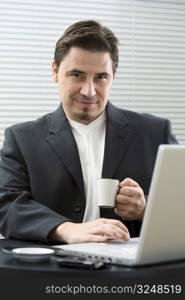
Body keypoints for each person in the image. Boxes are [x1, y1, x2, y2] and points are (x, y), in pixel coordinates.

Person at [0, 20, 178, 244]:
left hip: (132, 271)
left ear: (113, 76)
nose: (89, 90)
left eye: (101, 77)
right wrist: (66, 229)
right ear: (55, 71)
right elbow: (7, 205)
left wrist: (145, 209)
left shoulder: (155, 133)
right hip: (54, 268)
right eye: (77, 75)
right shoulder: (21, 138)